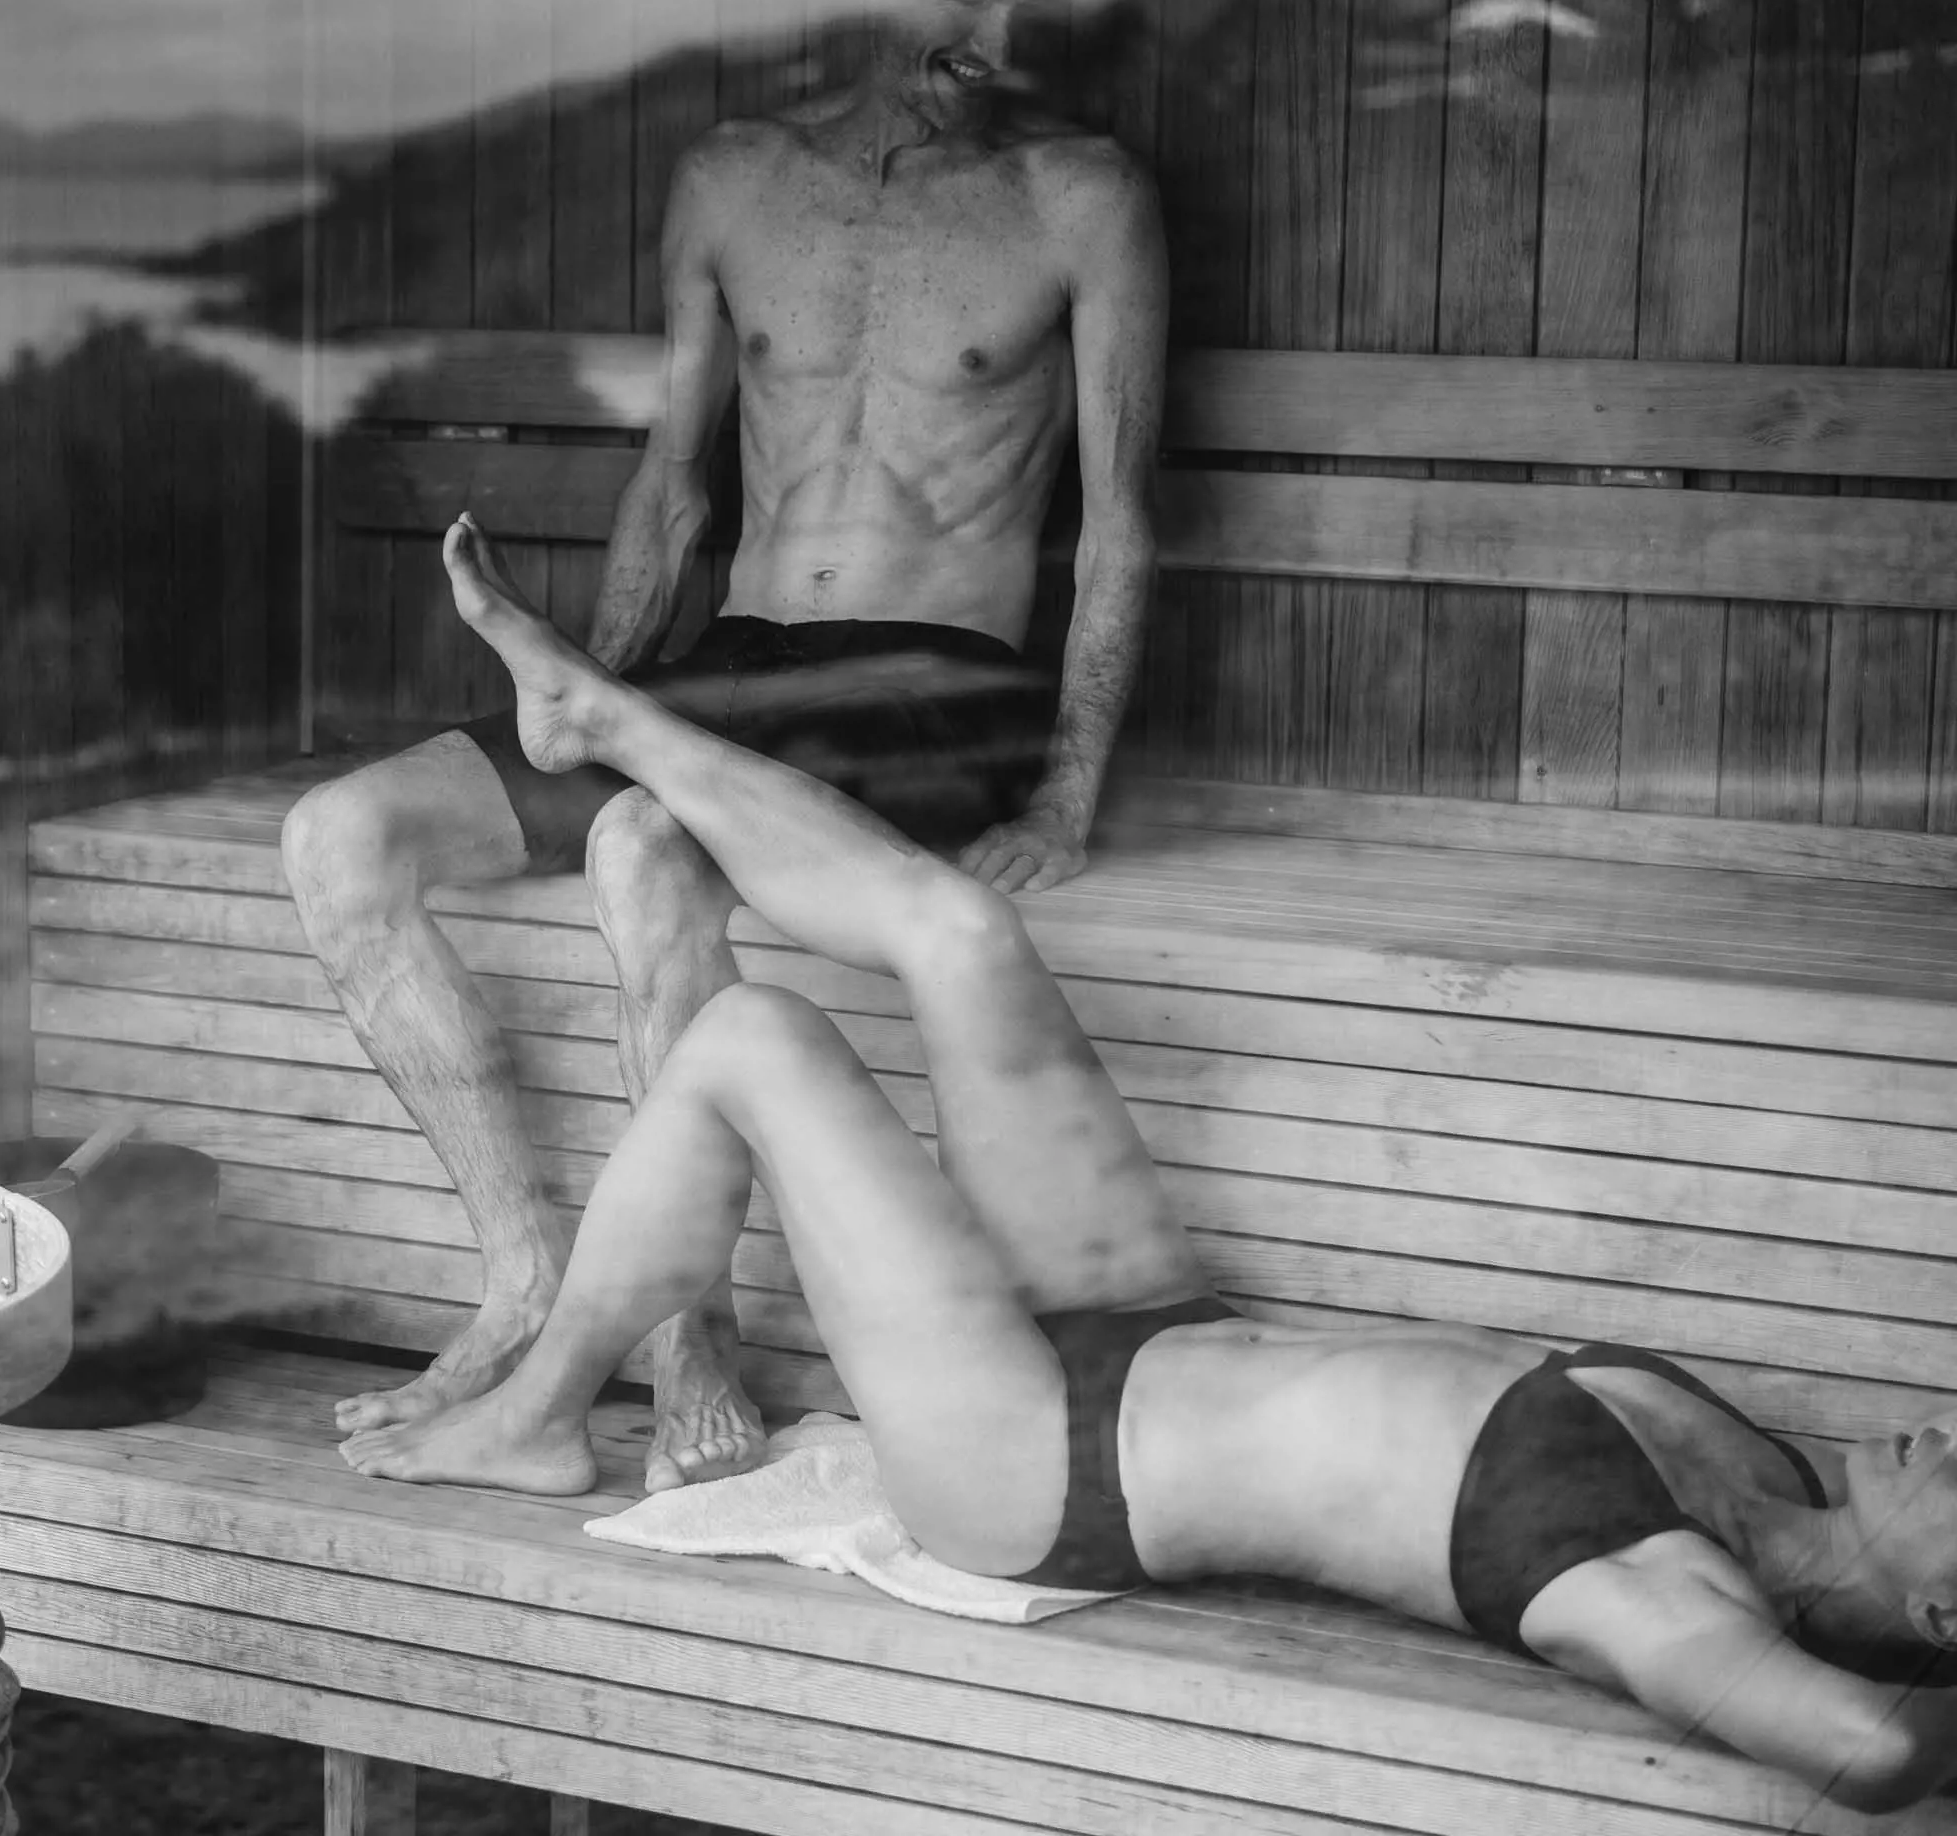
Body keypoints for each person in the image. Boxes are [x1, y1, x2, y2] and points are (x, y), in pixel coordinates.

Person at [342, 517, 1957, 1813]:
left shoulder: (1669, 1600)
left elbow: (1874, 1755)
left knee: (755, 1042)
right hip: (1150, 1320)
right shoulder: (1759, 1472)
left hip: (1048, 1464)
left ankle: (542, 1417)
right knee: (962, 931)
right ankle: (605, 716)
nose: (1943, 1438)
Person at [282, 0, 1162, 1489]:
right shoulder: (737, 180)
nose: (1002, 19)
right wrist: (596, 694)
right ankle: (527, 1278)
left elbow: (1117, 520)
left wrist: (1065, 787)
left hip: (936, 677)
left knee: (646, 839)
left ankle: (688, 1332)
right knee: (342, 840)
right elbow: (678, 482)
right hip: (734, 660)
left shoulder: (1083, 199)